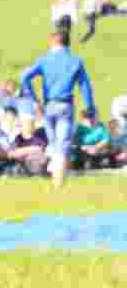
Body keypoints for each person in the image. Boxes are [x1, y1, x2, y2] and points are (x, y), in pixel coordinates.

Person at [20, 30, 97, 188]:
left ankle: (56, 180)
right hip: (65, 105)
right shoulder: (75, 61)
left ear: (52, 42)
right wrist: (89, 107)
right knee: (62, 145)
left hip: (48, 106)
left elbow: (24, 77)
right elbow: (85, 86)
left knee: (54, 144)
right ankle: (58, 185)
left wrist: (34, 100)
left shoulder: (44, 60)